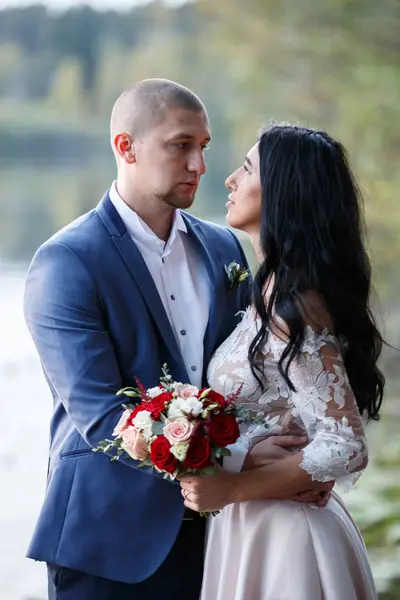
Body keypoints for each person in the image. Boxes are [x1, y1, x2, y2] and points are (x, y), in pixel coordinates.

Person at [23, 82, 330, 600]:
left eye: (204, 147)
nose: (199, 165)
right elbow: (102, 416)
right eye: (180, 145)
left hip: (226, 533)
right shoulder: (67, 262)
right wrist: (243, 456)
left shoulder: (222, 245)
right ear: (127, 147)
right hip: (112, 543)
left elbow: (253, 374)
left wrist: (297, 457)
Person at [180, 124, 385, 600]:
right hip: (257, 522)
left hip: (288, 537)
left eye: (247, 169)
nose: (229, 179)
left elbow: (344, 444)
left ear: (284, 194)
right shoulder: (274, 290)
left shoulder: (292, 302)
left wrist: (230, 490)